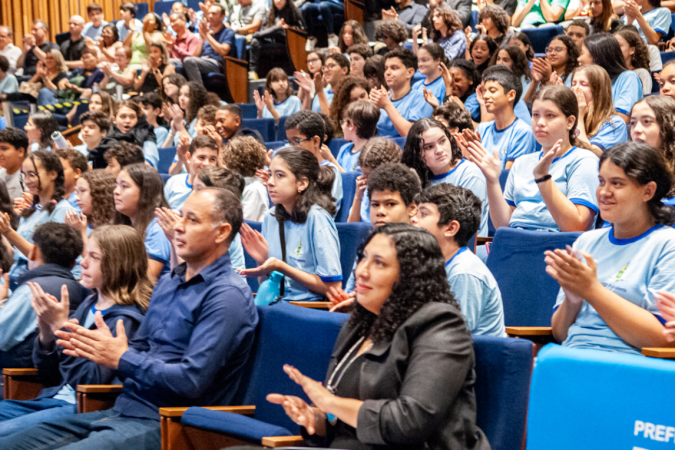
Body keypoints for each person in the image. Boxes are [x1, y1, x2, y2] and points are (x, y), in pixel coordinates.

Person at [0, 188, 258, 450]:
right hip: (123, 408)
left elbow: (191, 380)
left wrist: (121, 357)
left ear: (222, 232)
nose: (178, 227)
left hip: (170, 422)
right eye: (180, 216)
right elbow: (139, 349)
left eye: (192, 220)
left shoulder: (227, 295)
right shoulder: (169, 282)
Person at [268, 222, 490, 450]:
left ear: (410, 276)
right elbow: (345, 420)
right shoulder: (360, 322)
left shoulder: (441, 325)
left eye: (379, 263)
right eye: (364, 258)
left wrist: (331, 403)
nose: (362, 271)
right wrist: (317, 419)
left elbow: (411, 421)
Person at [0, 224, 147, 438]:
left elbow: (88, 382)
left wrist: (61, 328)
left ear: (118, 264)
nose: (82, 262)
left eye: (93, 257)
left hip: (79, 407)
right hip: (51, 397)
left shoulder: (124, 319)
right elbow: (49, 373)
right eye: (84, 255)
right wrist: (47, 332)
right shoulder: (89, 303)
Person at [548, 141, 675, 354]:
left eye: (617, 183)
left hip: (628, 365)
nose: (604, 192)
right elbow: (560, 334)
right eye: (601, 181)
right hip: (570, 357)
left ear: (648, 191)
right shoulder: (586, 242)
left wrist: (592, 290)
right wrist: (573, 299)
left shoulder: (667, 245)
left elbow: (662, 340)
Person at [462, 85, 599, 233]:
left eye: (550, 115)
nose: (540, 122)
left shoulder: (584, 160)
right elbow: (503, 225)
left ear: (570, 122)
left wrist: (543, 179)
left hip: (556, 247)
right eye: (535, 115)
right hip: (515, 243)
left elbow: (576, 227)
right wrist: (492, 180)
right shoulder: (522, 162)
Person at [240, 147, 342, 301]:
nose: (270, 182)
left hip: (307, 309)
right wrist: (262, 259)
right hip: (276, 305)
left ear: (302, 183)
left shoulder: (317, 218)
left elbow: (333, 288)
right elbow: (265, 285)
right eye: (269, 175)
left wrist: (281, 267)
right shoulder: (271, 217)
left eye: (279, 175)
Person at [413, 183, 506, 337]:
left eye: (423, 214)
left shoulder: (464, 272)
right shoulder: (431, 264)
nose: (413, 219)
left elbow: (452, 337)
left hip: (475, 358)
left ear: (451, 228)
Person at [0, 223, 89, 373]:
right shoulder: (78, 289)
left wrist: (2, 302)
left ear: (33, 252)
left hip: (16, 378)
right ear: (74, 263)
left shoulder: (32, 291)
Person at [0, 150, 76, 290]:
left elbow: (44, 258)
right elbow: (18, 256)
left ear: (52, 174)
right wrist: (3, 234)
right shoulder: (31, 213)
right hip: (15, 282)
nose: (27, 181)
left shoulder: (62, 211)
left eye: (32, 175)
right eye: (25, 176)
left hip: (39, 286)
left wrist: (9, 232)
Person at [403, 118, 489, 238]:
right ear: (417, 154)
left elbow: (464, 226)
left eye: (442, 141)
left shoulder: (470, 174)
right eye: (429, 147)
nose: (439, 150)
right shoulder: (418, 177)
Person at [342, 162, 421, 292]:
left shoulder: (422, 251)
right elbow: (351, 292)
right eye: (375, 205)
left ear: (412, 208)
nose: (380, 211)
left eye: (390, 204)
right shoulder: (369, 245)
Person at [114, 163, 171, 281]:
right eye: (117, 185)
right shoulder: (125, 223)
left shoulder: (159, 227)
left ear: (145, 192)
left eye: (124, 186)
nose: (116, 191)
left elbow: (147, 278)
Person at [475, 66, 537, 170]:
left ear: (511, 95)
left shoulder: (523, 132)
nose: (485, 96)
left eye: (492, 91)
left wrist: (478, 157)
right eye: (484, 91)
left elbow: (508, 178)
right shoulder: (482, 129)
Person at [578, 32, 643, 122]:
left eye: (582, 53)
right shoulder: (585, 82)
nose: (578, 59)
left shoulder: (628, 78)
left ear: (596, 57)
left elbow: (622, 118)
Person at [285, 111, 343, 212]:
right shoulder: (290, 169)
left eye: (296, 141)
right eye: (290, 142)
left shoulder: (331, 171)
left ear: (316, 141)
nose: (291, 147)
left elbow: (327, 211)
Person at [371, 48, 433, 138]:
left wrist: (387, 105)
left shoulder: (422, 98)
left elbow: (411, 134)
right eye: (386, 68)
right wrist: (374, 110)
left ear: (409, 72)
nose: (387, 73)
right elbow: (365, 135)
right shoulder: (382, 99)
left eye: (394, 68)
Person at [571, 64, 628, 156]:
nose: (575, 88)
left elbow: (588, 157)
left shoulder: (615, 123)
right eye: (573, 84)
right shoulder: (567, 119)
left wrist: (579, 116)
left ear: (598, 91)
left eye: (583, 84)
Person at [347, 137, 403, 223]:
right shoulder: (365, 189)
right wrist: (358, 197)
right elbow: (351, 229)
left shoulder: (402, 190)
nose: (366, 180)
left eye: (370, 176)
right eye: (364, 174)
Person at [630, 95, 675, 202]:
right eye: (633, 123)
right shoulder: (628, 172)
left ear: (667, 126)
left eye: (646, 121)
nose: (636, 130)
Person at [91, 100, 159, 169]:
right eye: (123, 116)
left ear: (137, 119)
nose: (127, 121)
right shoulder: (107, 140)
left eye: (132, 117)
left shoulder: (147, 134)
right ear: (114, 119)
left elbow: (149, 164)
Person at [248, 0, 305, 79]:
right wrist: (275, 28)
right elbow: (264, 30)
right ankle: (252, 71)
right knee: (255, 41)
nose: (278, 1)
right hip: (271, 40)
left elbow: (302, 30)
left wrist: (288, 28)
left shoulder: (293, 12)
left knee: (277, 29)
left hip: (287, 42)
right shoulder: (269, 14)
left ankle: (257, 34)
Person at [183, 4, 237, 85]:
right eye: (209, 13)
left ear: (222, 17)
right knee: (180, 63)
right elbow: (195, 56)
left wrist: (207, 35)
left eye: (214, 13)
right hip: (204, 61)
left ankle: (199, 93)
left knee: (188, 60)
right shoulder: (207, 32)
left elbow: (223, 51)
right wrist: (202, 38)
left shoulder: (228, 32)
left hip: (217, 64)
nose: (210, 16)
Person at [65, 169, 119, 249]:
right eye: (76, 192)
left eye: (82, 191)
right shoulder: (83, 221)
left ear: (99, 193)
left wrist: (80, 233)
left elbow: (94, 258)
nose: (77, 198)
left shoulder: (114, 227)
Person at [221, 136, 270, 222]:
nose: (227, 167)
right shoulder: (240, 183)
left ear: (235, 163)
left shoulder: (254, 189)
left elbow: (246, 223)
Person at [164, 135, 219, 210]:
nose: (207, 164)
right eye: (202, 157)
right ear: (189, 157)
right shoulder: (173, 182)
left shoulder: (219, 190)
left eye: (212, 159)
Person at [524, 35, 579, 105]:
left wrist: (548, 78)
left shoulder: (574, 75)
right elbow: (525, 105)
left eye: (558, 49)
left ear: (570, 53)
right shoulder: (541, 74)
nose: (552, 53)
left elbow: (566, 105)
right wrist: (535, 82)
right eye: (549, 50)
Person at [335, 101, 380, 173]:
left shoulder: (370, 153)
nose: (341, 126)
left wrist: (331, 160)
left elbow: (351, 180)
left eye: (343, 122)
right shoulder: (344, 148)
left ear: (351, 125)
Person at [615, 28, 653, 95]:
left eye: (619, 45)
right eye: (613, 46)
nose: (614, 49)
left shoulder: (641, 74)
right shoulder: (608, 73)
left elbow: (646, 98)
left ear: (632, 50)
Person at [0, 128, 28, 202]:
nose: (0, 154)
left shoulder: (28, 177)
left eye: (4, 148)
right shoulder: (0, 174)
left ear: (20, 151)